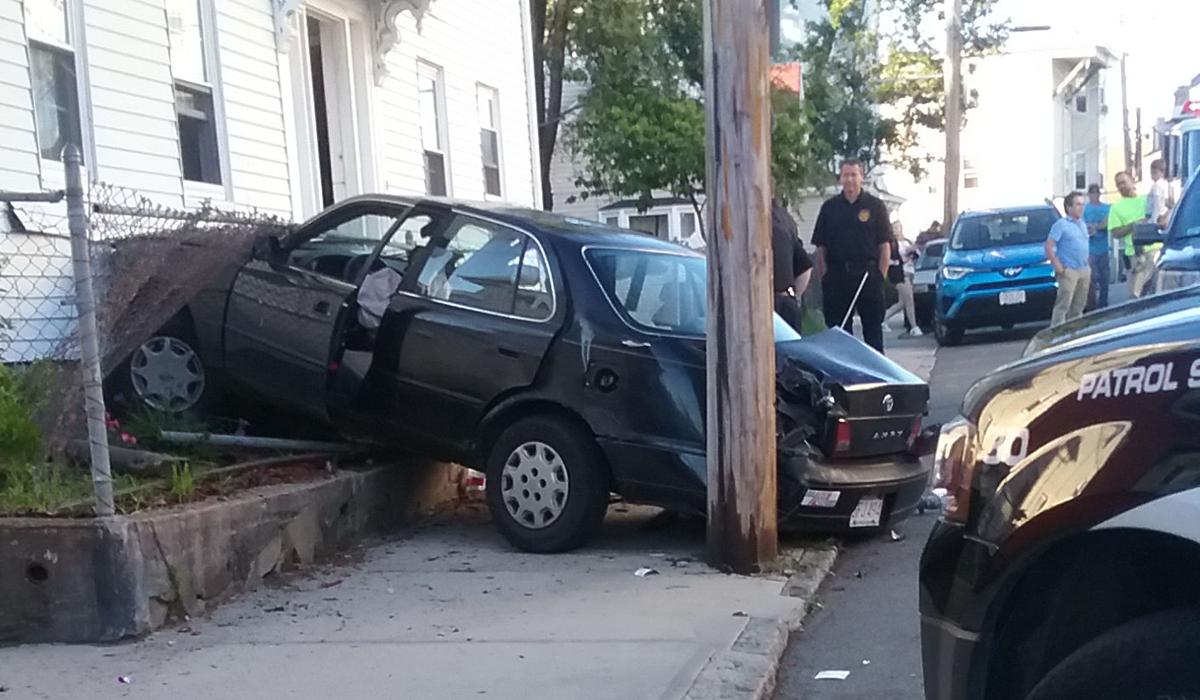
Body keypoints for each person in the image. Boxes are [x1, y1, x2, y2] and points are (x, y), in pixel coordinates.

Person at [812, 159, 892, 353]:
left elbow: (884, 246)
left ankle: (877, 379)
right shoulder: (829, 209)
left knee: (873, 334)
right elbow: (820, 248)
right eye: (846, 175)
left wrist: (880, 277)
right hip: (838, 277)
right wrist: (825, 278)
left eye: (854, 175)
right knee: (840, 336)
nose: (849, 180)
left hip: (867, 276)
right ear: (840, 178)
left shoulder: (875, 206)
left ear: (861, 177)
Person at [1046, 191, 1092, 326]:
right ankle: (1056, 333)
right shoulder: (1061, 224)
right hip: (1069, 270)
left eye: (1083, 204)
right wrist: (1057, 264)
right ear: (1069, 207)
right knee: (1063, 304)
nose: (1081, 208)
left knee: (1079, 306)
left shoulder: (1082, 224)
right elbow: (1049, 245)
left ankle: (1075, 333)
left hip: (1083, 269)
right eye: (1078, 204)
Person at [771, 197, 814, 331]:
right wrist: (793, 296)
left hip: (763, 305)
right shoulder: (784, 219)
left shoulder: (752, 218)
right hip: (787, 302)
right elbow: (805, 266)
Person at [1107, 171, 1150, 298]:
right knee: (1135, 295)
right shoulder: (1116, 207)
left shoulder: (1147, 200)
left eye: (1124, 182)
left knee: (1157, 294)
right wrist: (1133, 226)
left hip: (1156, 251)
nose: (1121, 186)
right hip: (1136, 255)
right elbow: (1115, 233)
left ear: (1132, 181)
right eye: (1118, 184)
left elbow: (1164, 211)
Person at [883, 221, 922, 337]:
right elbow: (890, 260)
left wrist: (913, 253)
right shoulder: (891, 243)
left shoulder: (907, 242)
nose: (896, 230)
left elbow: (917, 255)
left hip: (910, 271)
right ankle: (914, 326)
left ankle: (883, 318)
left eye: (898, 227)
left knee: (903, 302)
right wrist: (902, 259)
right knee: (909, 299)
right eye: (894, 228)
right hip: (899, 273)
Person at [1083, 183, 1111, 310]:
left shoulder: (1106, 208)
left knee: (1104, 278)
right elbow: (1082, 226)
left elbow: (1110, 223)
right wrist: (1090, 229)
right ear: (1089, 195)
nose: (1094, 195)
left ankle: (1103, 302)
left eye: (1096, 193)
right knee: (1092, 278)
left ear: (1099, 194)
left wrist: (1099, 227)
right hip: (1090, 249)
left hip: (1103, 248)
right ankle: (1092, 304)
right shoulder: (1084, 210)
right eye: (1092, 193)